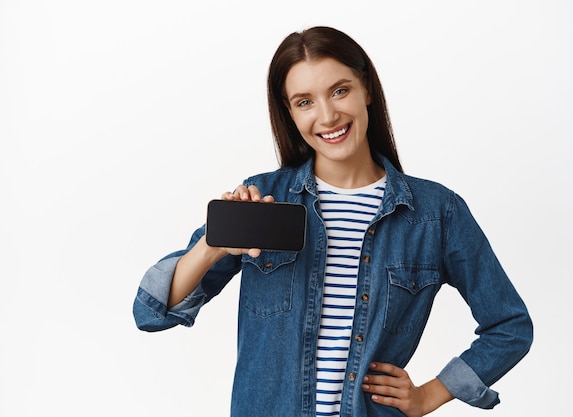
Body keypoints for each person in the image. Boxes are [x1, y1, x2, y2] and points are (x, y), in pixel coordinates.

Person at [133, 26, 533, 417]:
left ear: (367, 90)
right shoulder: (264, 198)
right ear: (289, 112)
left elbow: (509, 324)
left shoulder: (435, 213)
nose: (327, 115)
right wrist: (214, 244)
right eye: (304, 101)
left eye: (339, 91)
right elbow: (151, 311)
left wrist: (430, 395)